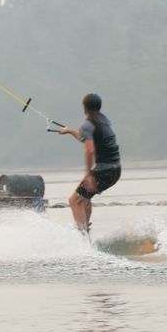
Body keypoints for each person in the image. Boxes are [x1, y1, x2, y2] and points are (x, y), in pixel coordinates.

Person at [59, 93, 121, 236]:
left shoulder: (88, 124)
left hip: (104, 170)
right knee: (85, 198)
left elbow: (90, 149)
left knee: (74, 200)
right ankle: (86, 234)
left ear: (84, 107)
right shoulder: (104, 120)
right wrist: (69, 131)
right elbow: (85, 138)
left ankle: (82, 238)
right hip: (116, 171)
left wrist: (89, 175)